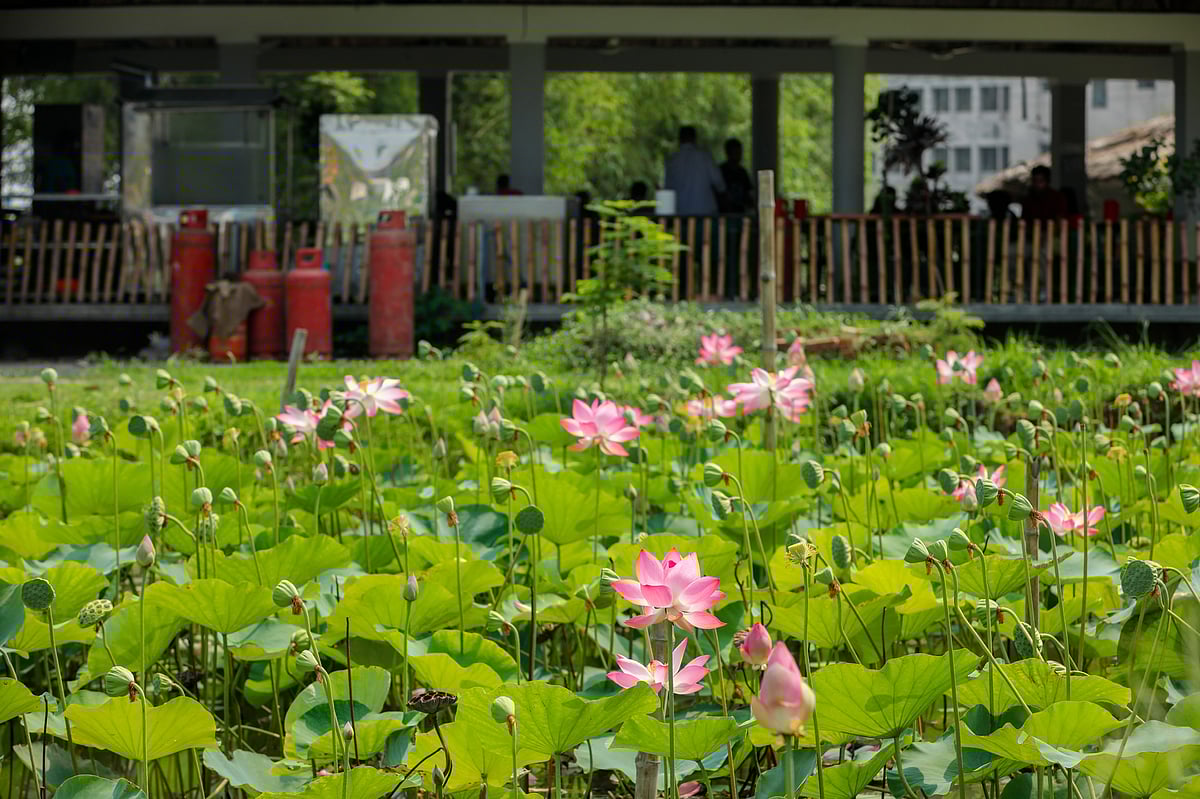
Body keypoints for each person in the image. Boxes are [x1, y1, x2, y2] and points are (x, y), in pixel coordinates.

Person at [664, 126, 725, 216]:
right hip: (705, 212)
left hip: (681, 213)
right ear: (694, 138)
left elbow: (668, 188)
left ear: (679, 139)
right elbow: (719, 182)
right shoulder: (705, 156)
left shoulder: (672, 160)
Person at [718, 138, 753, 214]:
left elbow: (747, 193)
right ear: (728, 153)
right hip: (724, 213)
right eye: (735, 152)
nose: (738, 155)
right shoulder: (721, 171)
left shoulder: (742, 172)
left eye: (739, 152)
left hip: (740, 213)